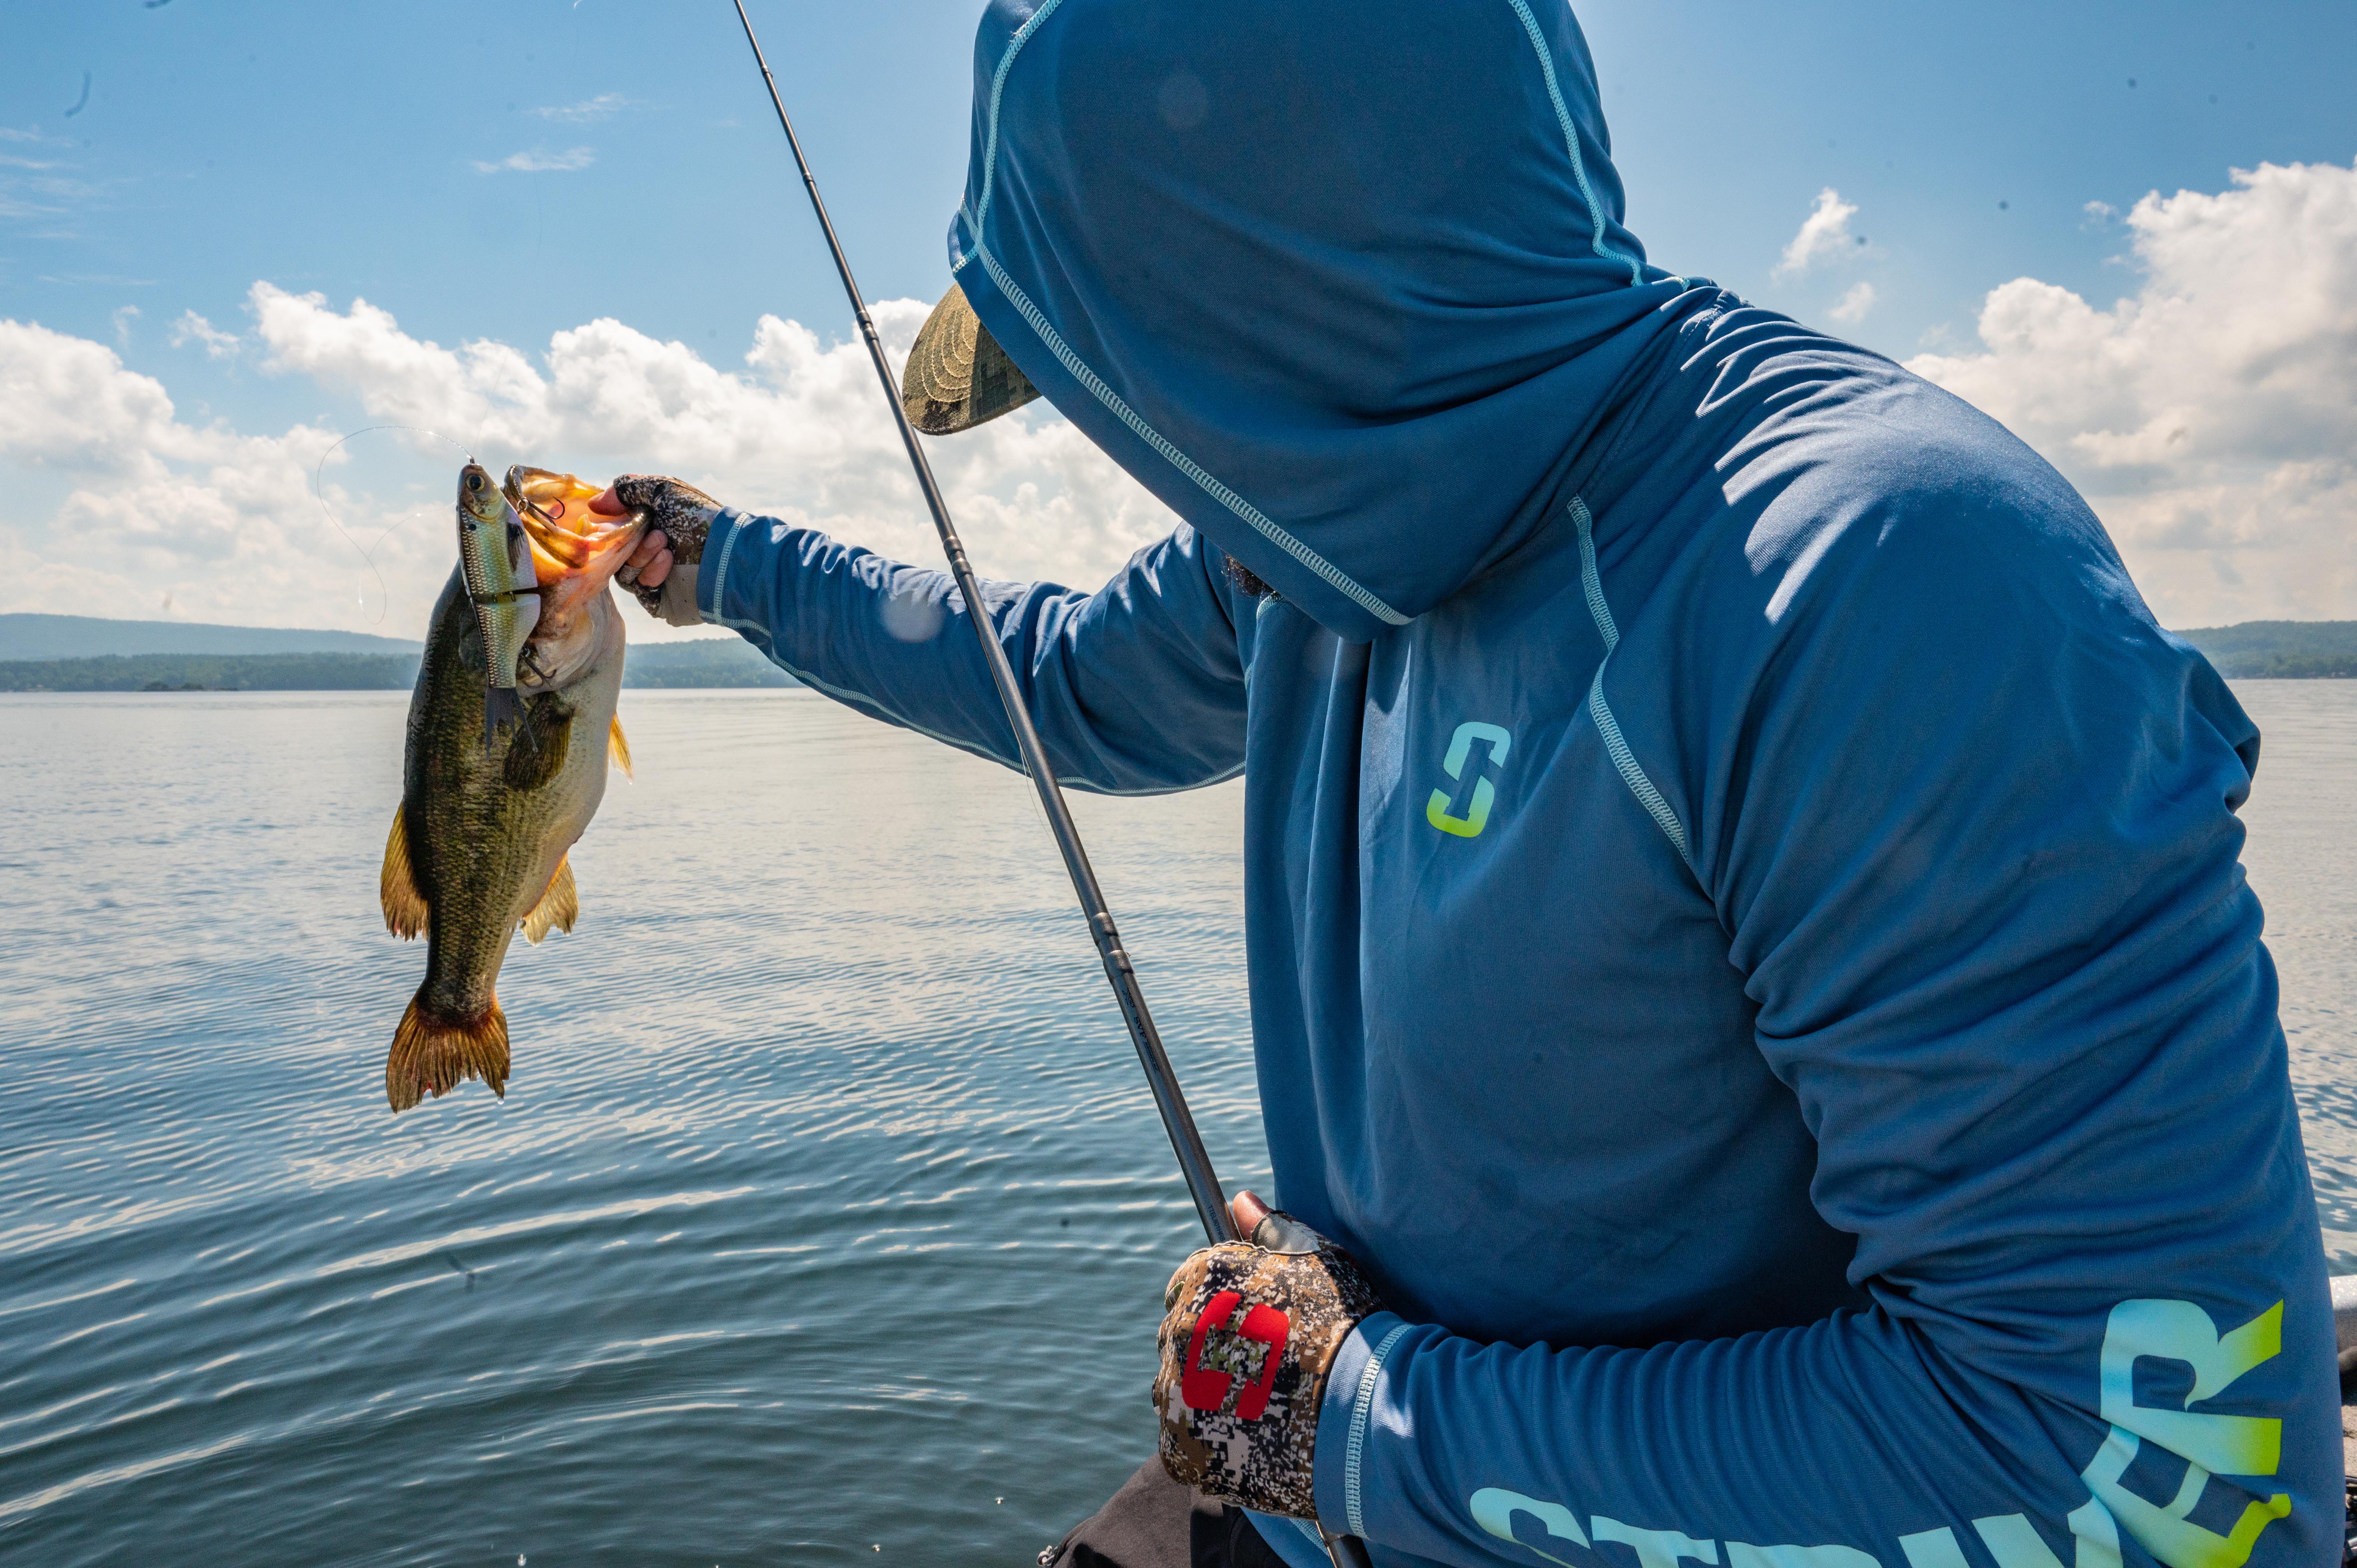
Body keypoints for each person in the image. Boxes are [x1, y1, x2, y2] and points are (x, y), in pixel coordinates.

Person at [592, 2, 2339, 1565]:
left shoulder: (1886, 586)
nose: (1130, 441)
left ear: (1267, 329)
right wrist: (724, 562)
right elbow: (1051, 674)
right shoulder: (1299, 550)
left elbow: (2137, 1478)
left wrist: (1355, 1417)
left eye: (1126, 372)